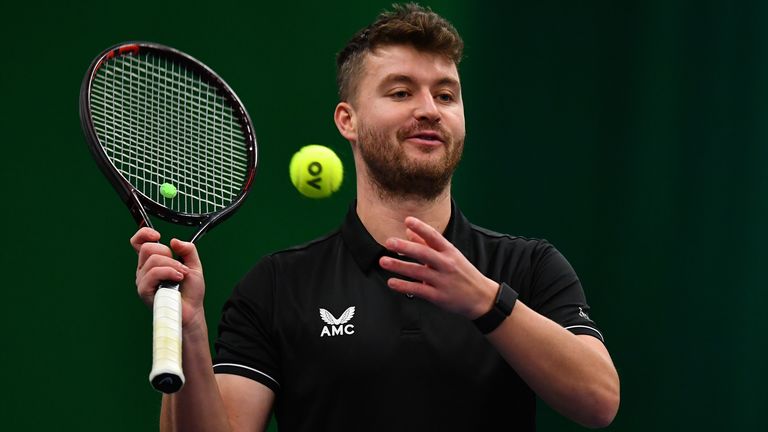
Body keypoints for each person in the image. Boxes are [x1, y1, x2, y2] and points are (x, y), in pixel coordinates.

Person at [132, 3, 620, 431]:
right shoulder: (276, 286)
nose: (429, 110)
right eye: (401, 92)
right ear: (348, 120)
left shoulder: (528, 268)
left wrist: (485, 301)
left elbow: (599, 401)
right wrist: (190, 330)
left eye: (446, 95)